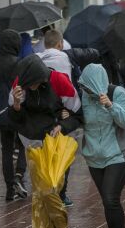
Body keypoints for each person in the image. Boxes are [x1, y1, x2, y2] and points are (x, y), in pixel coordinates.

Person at [9, 54, 82, 228]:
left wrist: (63, 124)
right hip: (32, 145)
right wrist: (15, 104)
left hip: (58, 144)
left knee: (51, 188)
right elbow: (14, 120)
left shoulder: (59, 81)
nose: (29, 87)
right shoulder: (20, 84)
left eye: (32, 84)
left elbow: (78, 113)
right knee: (41, 195)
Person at [79, 63, 125, 228]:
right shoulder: (83, 97)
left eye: (87, 86)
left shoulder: (117, 92)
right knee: (107, 199)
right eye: (83, 86)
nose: (84, 90)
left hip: (119, 154)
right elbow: (76, 118)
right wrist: (65, 118)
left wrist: (111, 106)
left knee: (110, 198)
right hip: (94, 156)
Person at [37, 29, 100, 207]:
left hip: (43, 112)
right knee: (63, 153)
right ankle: (62, 194)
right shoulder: (67, 56)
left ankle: (48, 191)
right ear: (60, 44)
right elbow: (93, 53)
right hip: (66, 110)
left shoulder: (36, 59)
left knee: (46, 153)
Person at [0, 29, 28, 201]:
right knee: (23, 144)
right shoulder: (21, 63)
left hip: (1, 112)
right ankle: (19, 175)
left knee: (6, 150)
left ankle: (10, 189)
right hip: (18, 109)